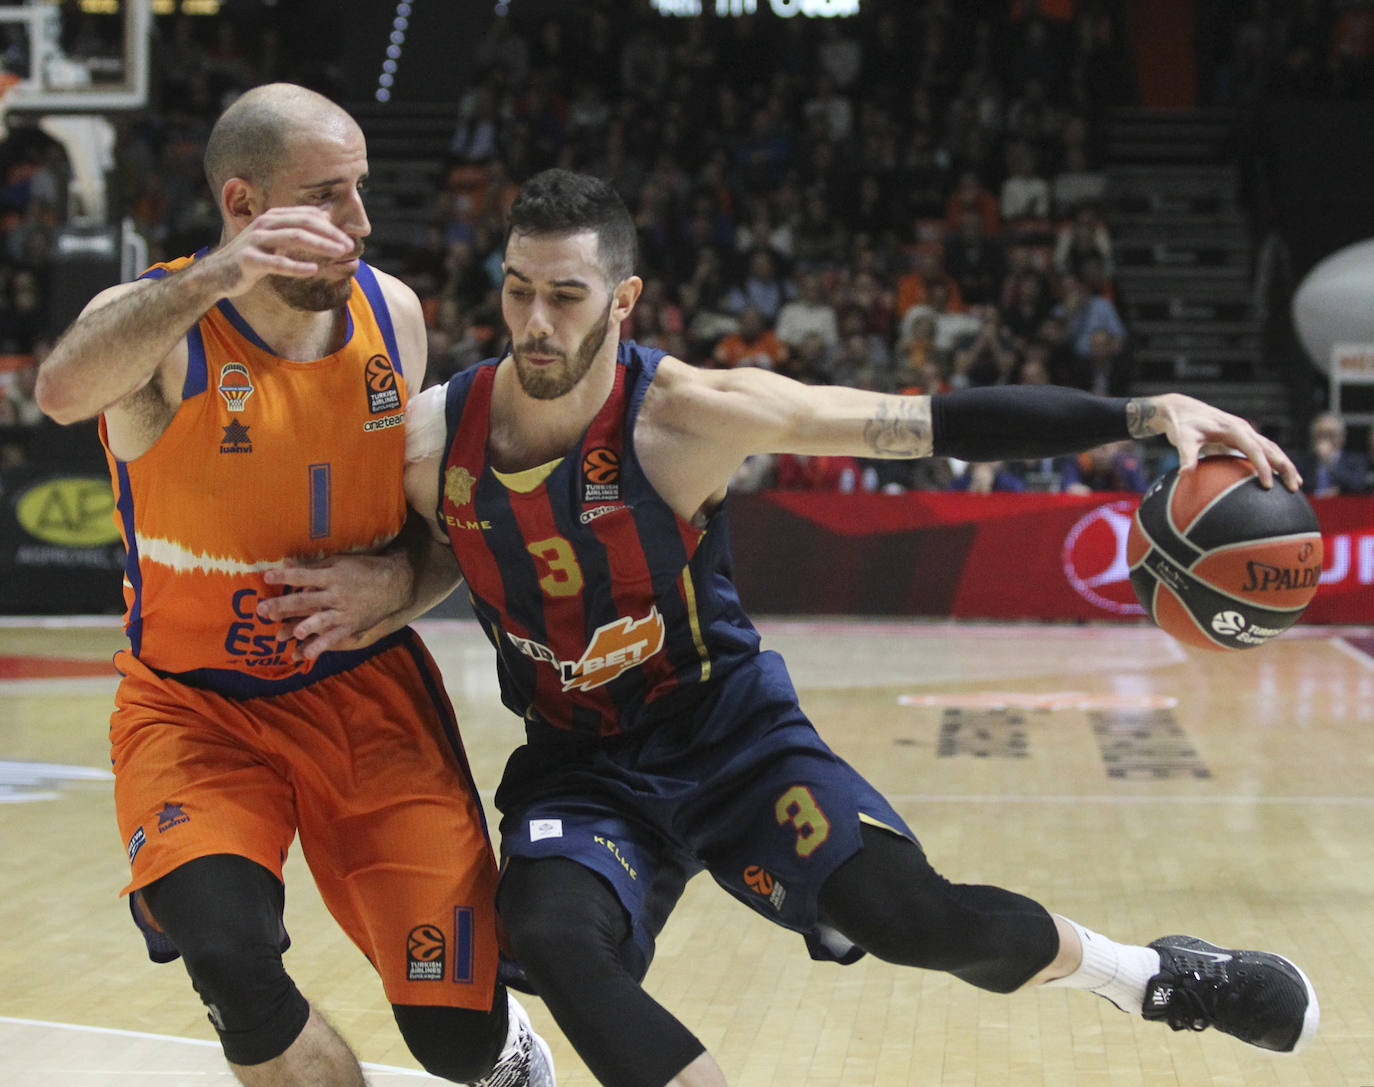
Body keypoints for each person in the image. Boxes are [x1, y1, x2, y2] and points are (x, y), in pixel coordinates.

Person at [263, 170, 1318, 1087]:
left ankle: (1149, 976)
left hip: (732, 739)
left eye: (567, 296)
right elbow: (443, 542)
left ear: (622, 300)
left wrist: (1140, 415)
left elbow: (934, 424)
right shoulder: (434, 433)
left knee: (918, 920)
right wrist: (391, 585)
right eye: (518, 290)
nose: (536, 322)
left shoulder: (693, 415)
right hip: (580, 764)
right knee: (546, 935)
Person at [33, 83, 553, 1087]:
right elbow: (59, 392)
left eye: (360, 193)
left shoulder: (389, 314)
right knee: (229, 958)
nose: (359, 224)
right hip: (194, 713)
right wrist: (214, 279)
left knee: (456, 1039)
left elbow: (448, 524)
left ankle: (505, 1050)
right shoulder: (155, 329)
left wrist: (399, 579)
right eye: (329, 197)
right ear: (242, 204)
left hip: (364, 701)